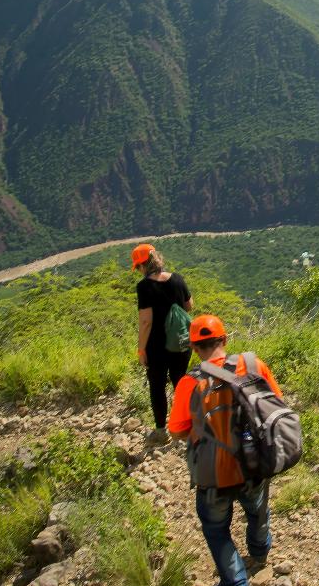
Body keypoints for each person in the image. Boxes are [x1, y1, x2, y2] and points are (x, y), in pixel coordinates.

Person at [169, 315, 281, 586]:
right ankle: (260, 550)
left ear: (194, 348)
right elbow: (276, 404)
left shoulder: (190, 382)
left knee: (216, 529)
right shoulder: (254, 365)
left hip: (213, 473)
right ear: (225, 339)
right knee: (257, 510)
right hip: (254, 463)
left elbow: (176, 430)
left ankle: (236, 580)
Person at [132, 243, 193, 446]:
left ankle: (161, 432)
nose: (138, 271)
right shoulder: (177, 279)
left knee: (157, 387)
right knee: (181, 384)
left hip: (157, 348)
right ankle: (188, 427)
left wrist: (141, 349)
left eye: (137, 267)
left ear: (143, 266)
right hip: (181, 343)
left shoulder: (144, 287)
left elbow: (146, 321)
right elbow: (189, 306)